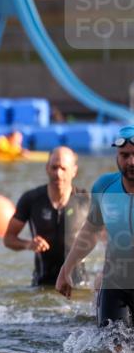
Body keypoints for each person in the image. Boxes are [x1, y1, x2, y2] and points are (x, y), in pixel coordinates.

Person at [56, 125, 134, 327]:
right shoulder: (104, 187)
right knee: (110, 344)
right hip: (115, 284)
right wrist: (66, 268)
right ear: (116, 156)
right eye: (125, 155)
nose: (131, 162)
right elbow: (90, 231)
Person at [3, 146, 90, 286]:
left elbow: (112, 238)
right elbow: (8, 239)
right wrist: (28, 244)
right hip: (41, 285)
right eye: (54, 167)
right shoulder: (31, 199)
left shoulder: (86, 201)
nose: (58, 174)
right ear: (47, 168)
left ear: (74, 171)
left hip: (77, 286)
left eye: (63, 168)